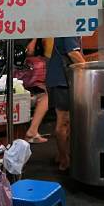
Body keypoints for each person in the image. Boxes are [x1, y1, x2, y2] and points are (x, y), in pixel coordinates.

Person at [45, 37, 85, 171]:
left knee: (67, 121)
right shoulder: (70, 25)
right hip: (62, 80)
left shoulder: (70, 24)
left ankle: (62, 154)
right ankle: (64, 160)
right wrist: (89, 70)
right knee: (64, 122)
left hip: (60, 78)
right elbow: (72, 53)